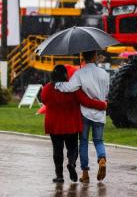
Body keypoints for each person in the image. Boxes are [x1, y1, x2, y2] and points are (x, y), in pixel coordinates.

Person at [41, 65, 107, 183]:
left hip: (54, 125)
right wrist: (102, 105)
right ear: (65, 75)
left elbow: (44, 100)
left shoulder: (47, 89)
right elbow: (85, 101)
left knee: (57, 150)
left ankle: (59, 176)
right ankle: (71, 163)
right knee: (72, 148)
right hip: (70, 124)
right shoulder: (73, 89)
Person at [55, 51, 110, 183]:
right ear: (95, 57)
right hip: (100, 113)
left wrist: (57, 85)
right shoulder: (104, 73)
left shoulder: (79, 73)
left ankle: (85, 174)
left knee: (84, 142)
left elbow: (69, 87)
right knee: (99, 141)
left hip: (85, 113)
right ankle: (102, 159)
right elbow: (107, 91)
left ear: (83, 58)